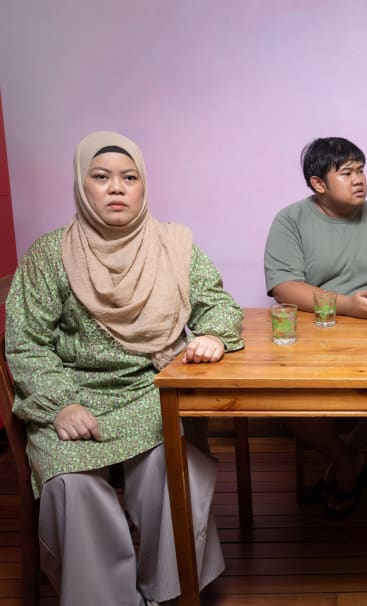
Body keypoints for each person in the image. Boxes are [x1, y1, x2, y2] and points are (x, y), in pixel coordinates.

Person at [5, 131, 244, 606]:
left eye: (129, 178)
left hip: (150, 390)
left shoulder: (174, 246)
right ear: (81, 185)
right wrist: (60, 405)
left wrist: (214, 336)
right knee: (73, 486)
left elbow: (218, 304)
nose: (117, 188)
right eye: (102, 177)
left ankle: (170, 592)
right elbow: (27, 344)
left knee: (174, 467)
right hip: (73, 395)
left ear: (142, 188)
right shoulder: (50, 255)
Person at [264, 136, 367, 516]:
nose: (359, 180)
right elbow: (284, 287)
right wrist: (347, 306)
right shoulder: (291, 220)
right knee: (282, 399)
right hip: (315, 342)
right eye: (347, 172)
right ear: (318, 184)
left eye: (361, 170)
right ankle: (349, 459)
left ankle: (344, 456)